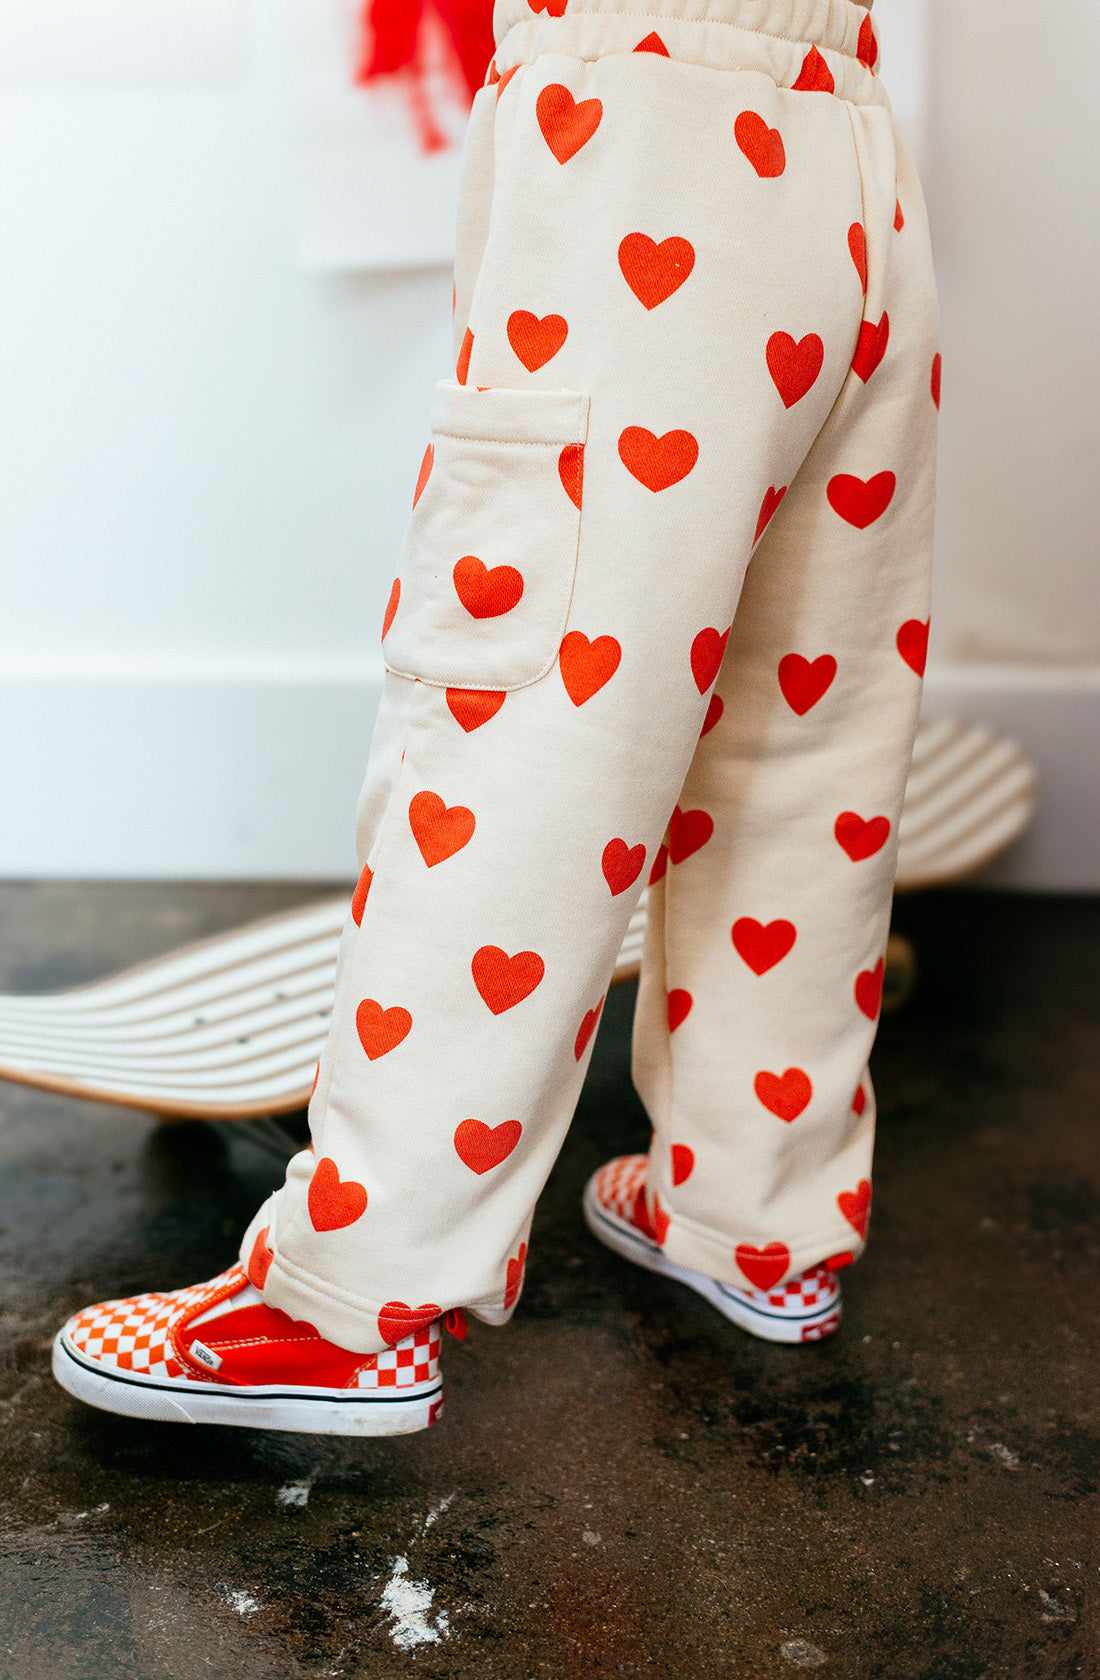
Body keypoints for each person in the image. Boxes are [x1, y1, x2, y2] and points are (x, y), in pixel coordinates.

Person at [51, 0, 940, 1436]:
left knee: (529, 721)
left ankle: (348, 1301)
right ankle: (757, 1211)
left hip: (636, 114)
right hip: (843, 135)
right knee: (802, 724)